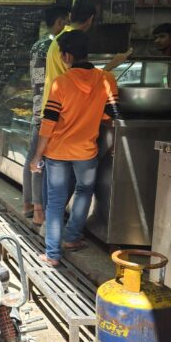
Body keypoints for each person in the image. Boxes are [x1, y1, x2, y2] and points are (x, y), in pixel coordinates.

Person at [31, 29, 119, 266]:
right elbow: (110, 117)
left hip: (57, 152)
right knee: (84, 192)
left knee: (56, 202)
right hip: (87, 151)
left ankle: (52, 254)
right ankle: (71, 237)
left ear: (67, 56)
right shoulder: (107, 79)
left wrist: (37, 155)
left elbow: (48, 123)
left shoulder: (61, 83)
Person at [23, 5, 69, 226]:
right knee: (39, 160)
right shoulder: (55, 46)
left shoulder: (36, 46)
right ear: (60, 21)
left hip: (36, 105)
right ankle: (39, 210)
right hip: (48, 108)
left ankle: (28, 204)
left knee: (32, 157)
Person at [41, 0, 128, 112]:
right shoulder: (71, 41)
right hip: (62, 111)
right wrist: (113, 64)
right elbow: (84, 81)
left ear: (71, 16)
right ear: (91, 19)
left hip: (56, 108)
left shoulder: (63, 37)